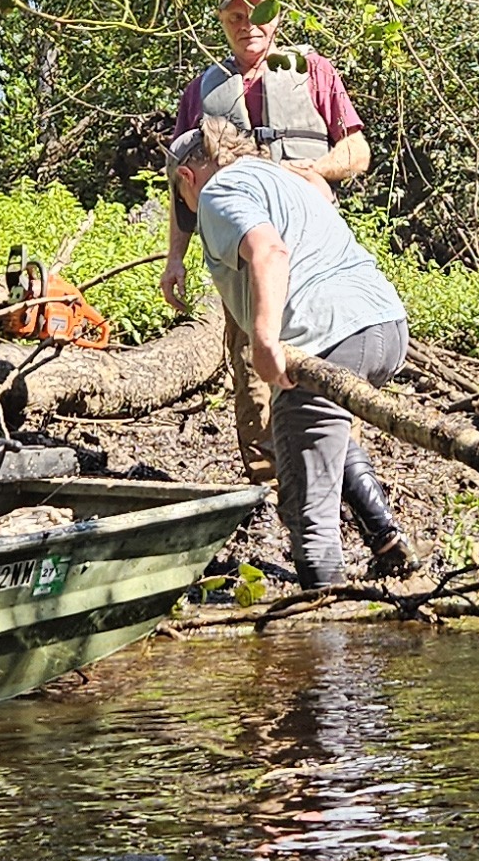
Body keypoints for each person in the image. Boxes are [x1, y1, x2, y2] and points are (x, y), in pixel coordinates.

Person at [169, 118, 420, 586]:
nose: (188, 208)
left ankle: (323, 637)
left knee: (305, 504)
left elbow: (268, 252)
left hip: (327, 335)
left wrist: (263, 339)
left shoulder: (217, 192)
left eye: (182, 199)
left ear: (188, 178)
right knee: (326, 435)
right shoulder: (287, 177)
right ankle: (387, 541)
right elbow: (323, 200)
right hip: (384, 325)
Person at [160, 0, 370, 482]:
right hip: (243, 257)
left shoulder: (312, 71)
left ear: (274, 16)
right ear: (222, 21)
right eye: (234, 14)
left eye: (256, 12)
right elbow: (182, 184)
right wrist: (174, 259)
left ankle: (342, 479)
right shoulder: (202, 92)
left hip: (312, 251)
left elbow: (357, 150)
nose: (246, 23)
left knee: (328, 359)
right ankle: (270, 488)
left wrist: (314, 170)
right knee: (252, 366)